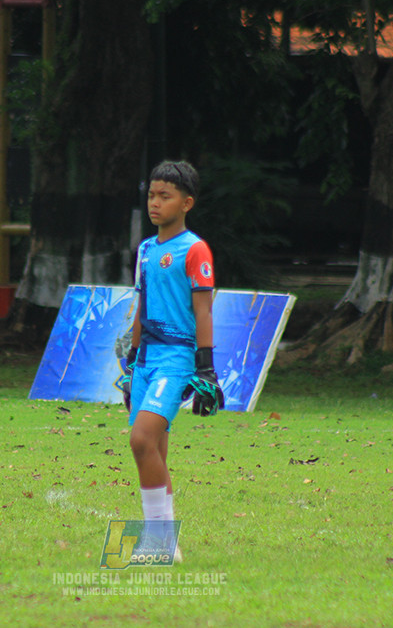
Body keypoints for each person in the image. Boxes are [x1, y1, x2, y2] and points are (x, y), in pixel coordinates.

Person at [120, 160, 224, 560]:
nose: (155, 203)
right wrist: (131, 361)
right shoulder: (146, 249)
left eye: (165, 196)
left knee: (141, 439)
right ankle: (164, 543)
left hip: (177, 358)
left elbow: (203, 312)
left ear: (187, 203)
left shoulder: (195, 249)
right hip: (146, 359)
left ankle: (161, 539)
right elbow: (142, 305)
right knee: (155, 451)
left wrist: (206, 369)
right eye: (151, 195)